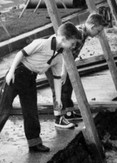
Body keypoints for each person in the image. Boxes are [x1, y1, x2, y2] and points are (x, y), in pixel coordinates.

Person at [0, 23, 82, 153]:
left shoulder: (59, 57)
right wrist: (10, 72)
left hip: (30, 79)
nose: (73, 47)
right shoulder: (42, 43)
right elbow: (21, 54)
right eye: (72, 44)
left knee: (31, 111)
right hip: (17, 74)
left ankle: (34, 143)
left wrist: (58, 100)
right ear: (64, 39)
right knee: (3, 109)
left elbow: (57, 78)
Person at [55, 13, 108, 124]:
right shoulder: (80, 34)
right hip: (60, 64)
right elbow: (65, 52)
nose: (97, 34)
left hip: (67, 64)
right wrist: (64, 71)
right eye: (98, 31)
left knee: (69, 87)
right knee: (64, 88)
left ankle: (69, 112)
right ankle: (63, 115)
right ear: (92, 27)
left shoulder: (82, 33)